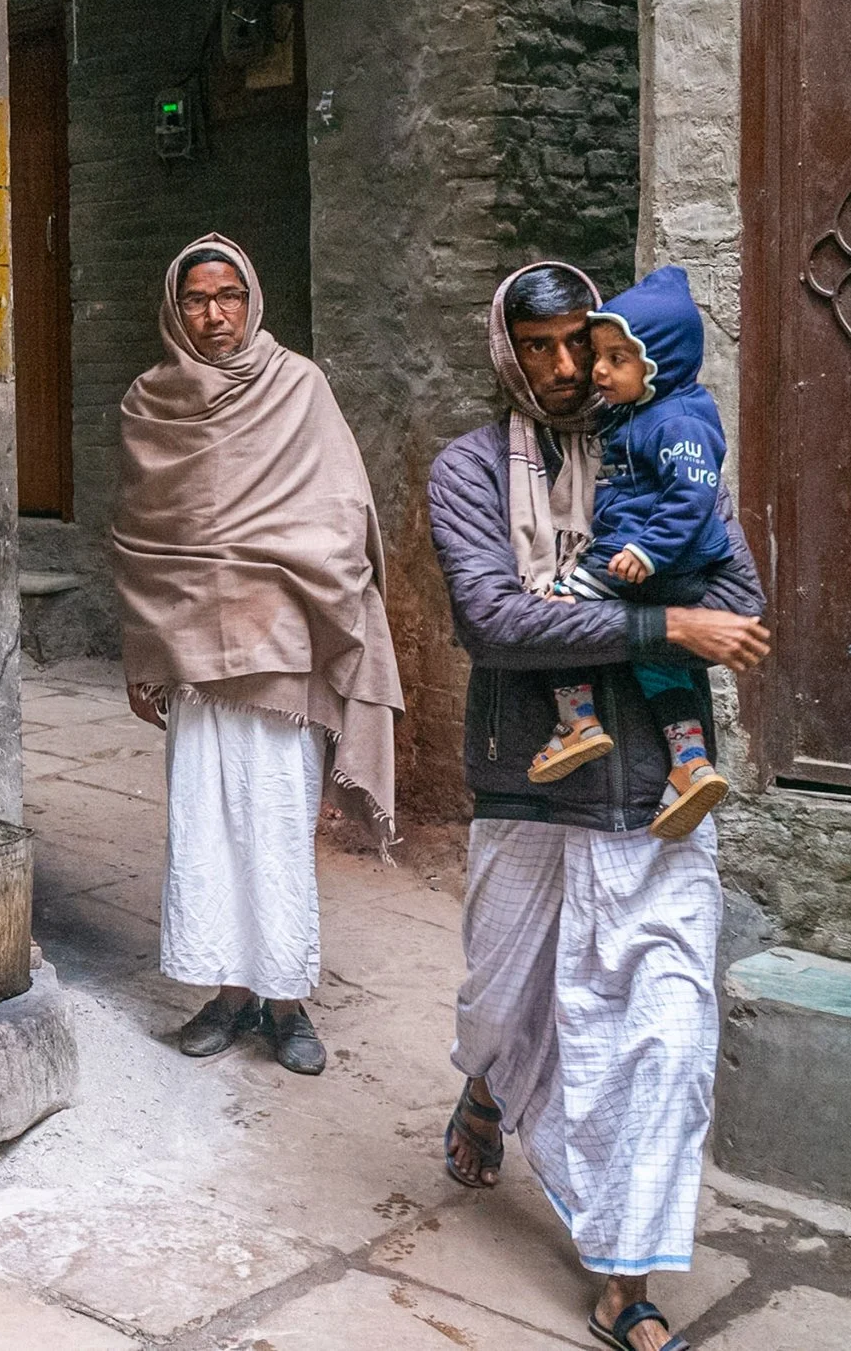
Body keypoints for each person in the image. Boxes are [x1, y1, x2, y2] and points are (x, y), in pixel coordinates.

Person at [427, 261, 771, 1351]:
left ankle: (630, 1266)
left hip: (658, 789)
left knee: (658, 1029)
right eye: (540, 347)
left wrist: (608, 601)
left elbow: (738, 597)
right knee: (506, 995)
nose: (567, 367)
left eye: (584, 341)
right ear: (507, 351)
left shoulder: (665, 439)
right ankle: (488, 1084)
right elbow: (493, 623)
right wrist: (662, 627)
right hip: (525, 773)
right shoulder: (470, 469)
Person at [110, 236, 403, 1077]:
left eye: (228, 295)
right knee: (203, 826)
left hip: (281, 649)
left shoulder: (298, 386)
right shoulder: (149, 404)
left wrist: (308, 575)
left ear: (251, 299)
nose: (214, 315)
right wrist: (147, 650)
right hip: (194, 656)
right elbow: (138, 540)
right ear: (175, 307)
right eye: (197, 298)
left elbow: (342, 506)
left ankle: (286, 999)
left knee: (276, 827)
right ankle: (229, 994)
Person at [526, 267, 735, 840]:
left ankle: (578, 722)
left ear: (660, 362)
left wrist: (648, 550)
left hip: (646, 560)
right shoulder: (641, 413)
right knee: (659, 666)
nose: (596, 371)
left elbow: (692, 497)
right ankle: (690, 765)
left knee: (555, 620)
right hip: (654, 567)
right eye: (601, 356)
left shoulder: (679, 420)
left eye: (617, 359)